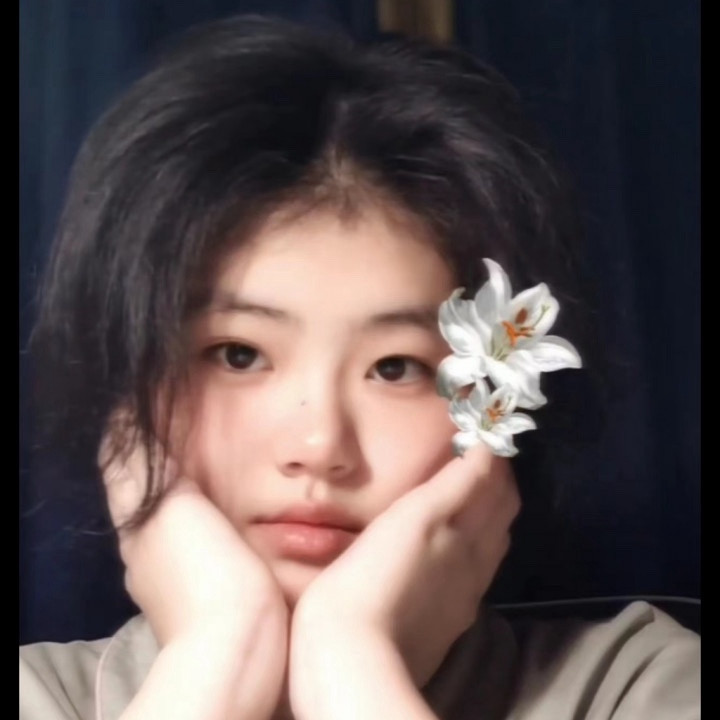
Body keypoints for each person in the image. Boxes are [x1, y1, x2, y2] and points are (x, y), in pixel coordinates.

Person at [19, 14, 699, 720]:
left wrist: (351, 661)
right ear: (128, 391)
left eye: (397, 367)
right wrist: (220, 652)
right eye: (239, 354)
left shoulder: (639, 688)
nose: (320, 448)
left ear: (503, 403)